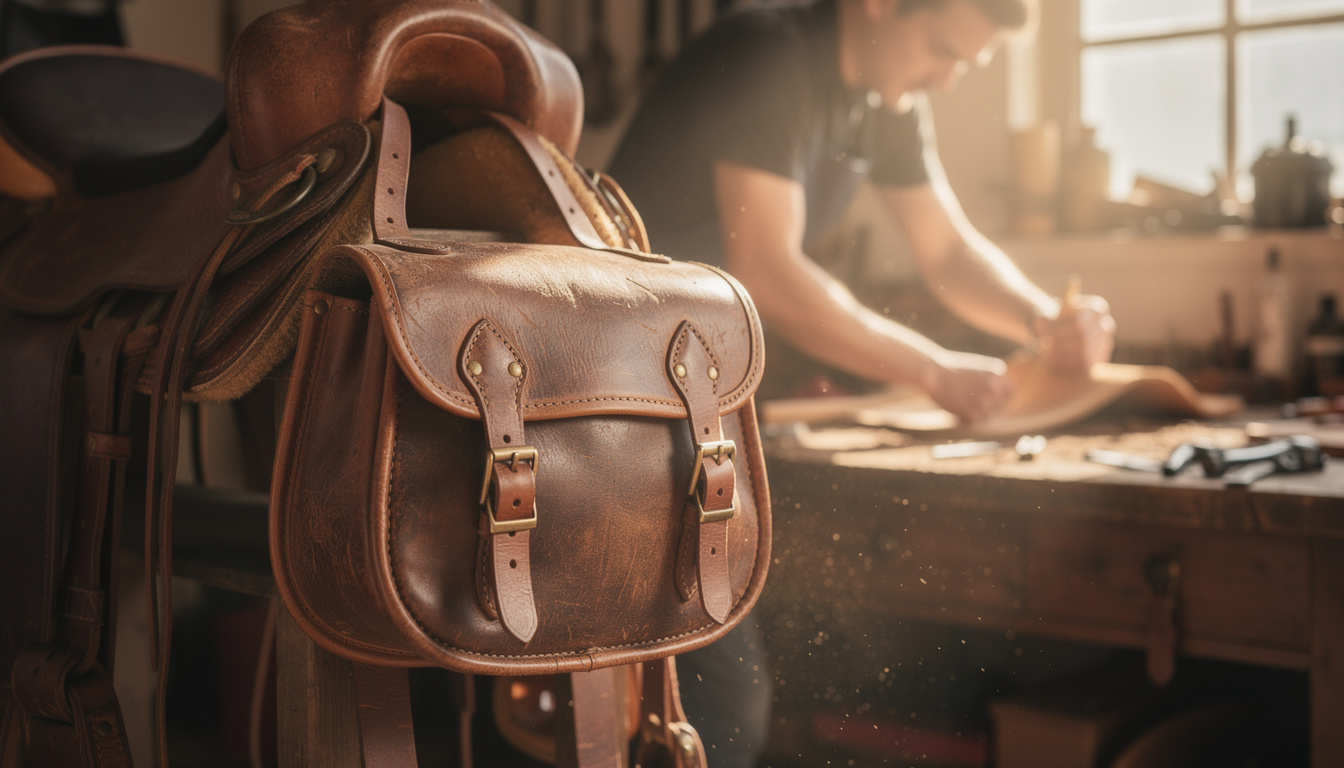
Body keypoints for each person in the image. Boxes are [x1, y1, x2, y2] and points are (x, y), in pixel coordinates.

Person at [607, 0, 1117, 765]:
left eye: (964, 66)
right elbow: (771, 274)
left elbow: (946, 250)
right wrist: (932, 369)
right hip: (618, 400)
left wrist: (1044, 320)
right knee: (721, 701)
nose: (946, 78)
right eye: (943, 49)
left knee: (748, 692)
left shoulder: (889, 99)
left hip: (701, 400)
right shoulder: (769, 59)